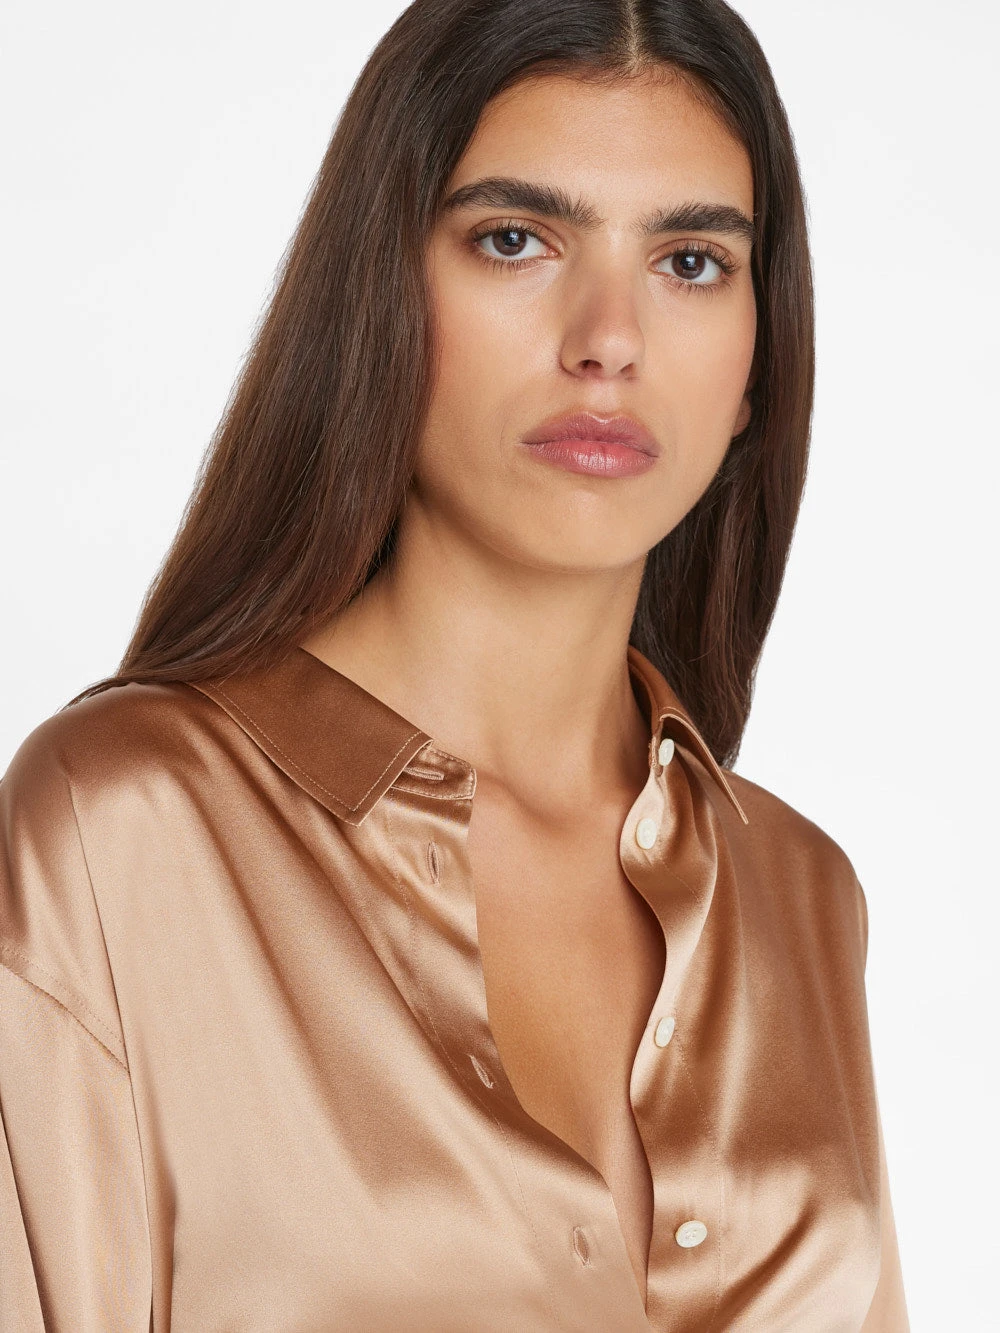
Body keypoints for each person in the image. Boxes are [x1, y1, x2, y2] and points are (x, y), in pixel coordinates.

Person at [0, 0, 909, 1328]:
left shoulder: (802, 896)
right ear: (381, 295)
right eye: (515, 240)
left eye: (690, 261)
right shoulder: (123, 832)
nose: (609, 338)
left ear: (758, 366)